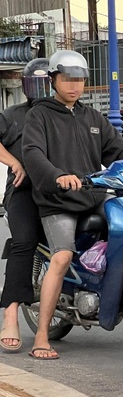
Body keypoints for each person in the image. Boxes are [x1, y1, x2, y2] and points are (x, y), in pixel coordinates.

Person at [21, 50, 123, 360]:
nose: (74, 86)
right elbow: (33, 154)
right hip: (57, 201)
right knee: (61, 258)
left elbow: (119, 149)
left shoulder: (92, 117)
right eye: (67, 79)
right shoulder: (40, 115)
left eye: (79, 80)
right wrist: (57, 176)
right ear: (52, 80)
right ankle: (41, 337)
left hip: (93, 196)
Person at [0, 58, 50, 352]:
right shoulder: (13, 115)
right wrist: (14, 161)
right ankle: (10, 314)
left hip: (60, 192)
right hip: (23, 192)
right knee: (24, 241)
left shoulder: (70, 115)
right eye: (37, 83)